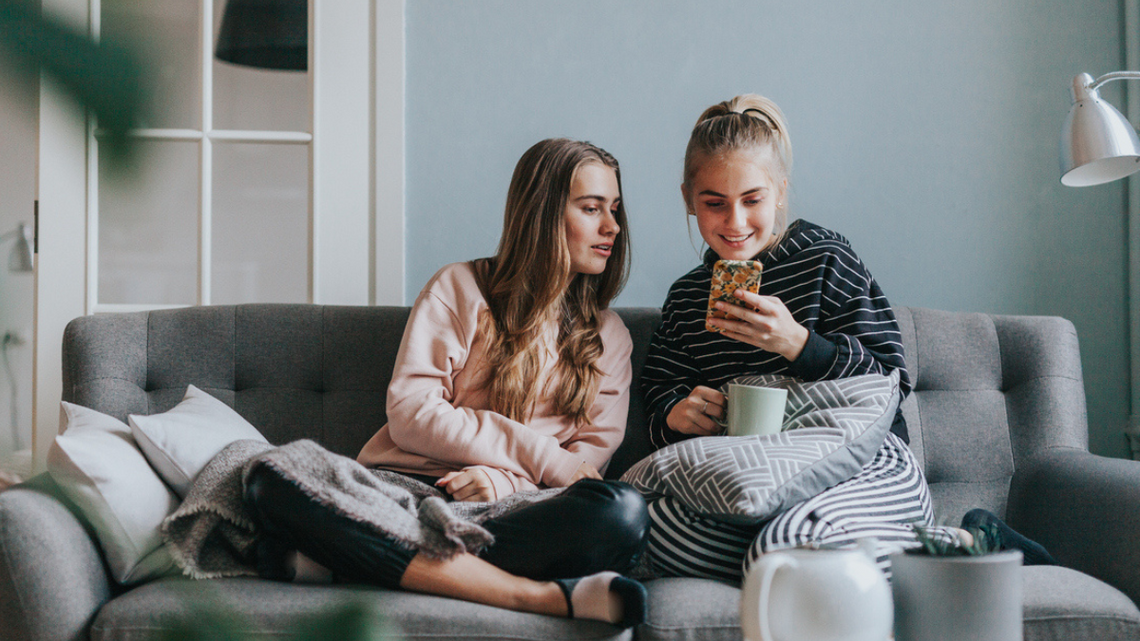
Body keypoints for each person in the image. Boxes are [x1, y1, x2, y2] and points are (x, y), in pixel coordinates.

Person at [640, 94, 1055, 583]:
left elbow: (890, 377)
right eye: (714, 204)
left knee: (786, 547)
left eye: (752, 200)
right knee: (652, 531)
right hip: (755, 477)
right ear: (689, 199)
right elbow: (658, 393)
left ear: (778, 193)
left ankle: (970, 538)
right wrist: (676, 411)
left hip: (861, 462)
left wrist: (797, 344)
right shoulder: (688, 297)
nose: (735, 222)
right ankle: (864, 550)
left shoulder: (825, 257)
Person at [244, 138, 650, 627]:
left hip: (512, 512)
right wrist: (538, 456)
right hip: (403, 494)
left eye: (615, 209)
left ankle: (350, 558)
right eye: (591, 208)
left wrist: (500, 481)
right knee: (273, 476)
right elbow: (412, 414)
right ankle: (529, 594)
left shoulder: (610, 336)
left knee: (621, 512)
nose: (612, 227)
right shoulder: (461, 287)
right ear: (541, 213)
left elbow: (584, 470)